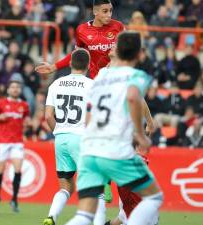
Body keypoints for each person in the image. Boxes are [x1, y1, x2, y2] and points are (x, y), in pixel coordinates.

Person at [65, 31, 163, 225]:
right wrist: (140, 132)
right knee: (154, 197)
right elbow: (134, 98)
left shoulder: (101, 76)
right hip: (116, 149)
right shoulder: (134, 75)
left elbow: (90, 113)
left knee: (84, 214)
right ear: (138, 54)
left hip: (91, 149)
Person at [43, 49, 93, 225]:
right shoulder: (92, 85)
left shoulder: (56, 84)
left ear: (71, 63)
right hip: (81, 138)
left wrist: (59, 131)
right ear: (88, 65)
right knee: (94, 186)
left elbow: (48, 115)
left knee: (66, 187)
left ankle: (51, 217)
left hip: (61, 138)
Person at [35, 0, 125, 79]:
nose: (109, 15)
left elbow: (128, 49)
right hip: (96, 80)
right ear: (95, 11)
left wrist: (117, 59)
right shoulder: (82, 30)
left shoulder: (118, 26)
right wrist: (53, 67)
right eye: (105, 11)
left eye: (110, 11)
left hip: (116, 77)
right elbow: (77, 53)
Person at [0, 80, 30, 213]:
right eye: (12, 87)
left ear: (20, 90)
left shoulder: (24, 105)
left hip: (17, 142)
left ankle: (14, 199)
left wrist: (28, 124)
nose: (15, 89)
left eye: (17, 87)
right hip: (3, 142)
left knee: (17, 170)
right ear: (8, 90)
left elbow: (26, 120)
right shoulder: (1, 103)